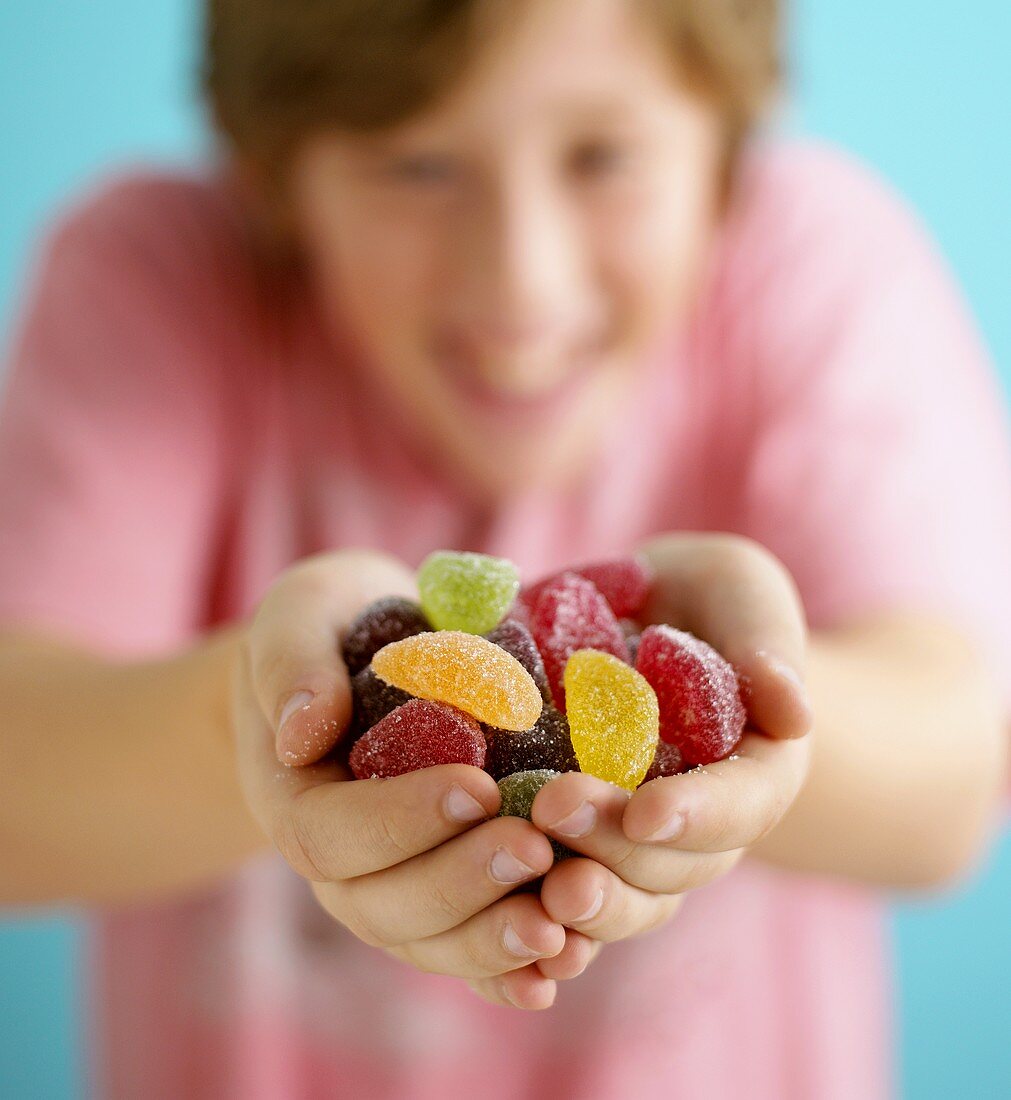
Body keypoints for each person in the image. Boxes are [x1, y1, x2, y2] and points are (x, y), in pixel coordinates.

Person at [1, 1, 1008, 1097]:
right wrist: (257, 713)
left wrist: (752, 706)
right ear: (275, 177)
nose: (520, 282)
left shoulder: (810, 268)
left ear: (723, 147)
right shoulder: (163, 280)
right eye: (417, 164)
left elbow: (956, 779)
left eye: (601, 155)